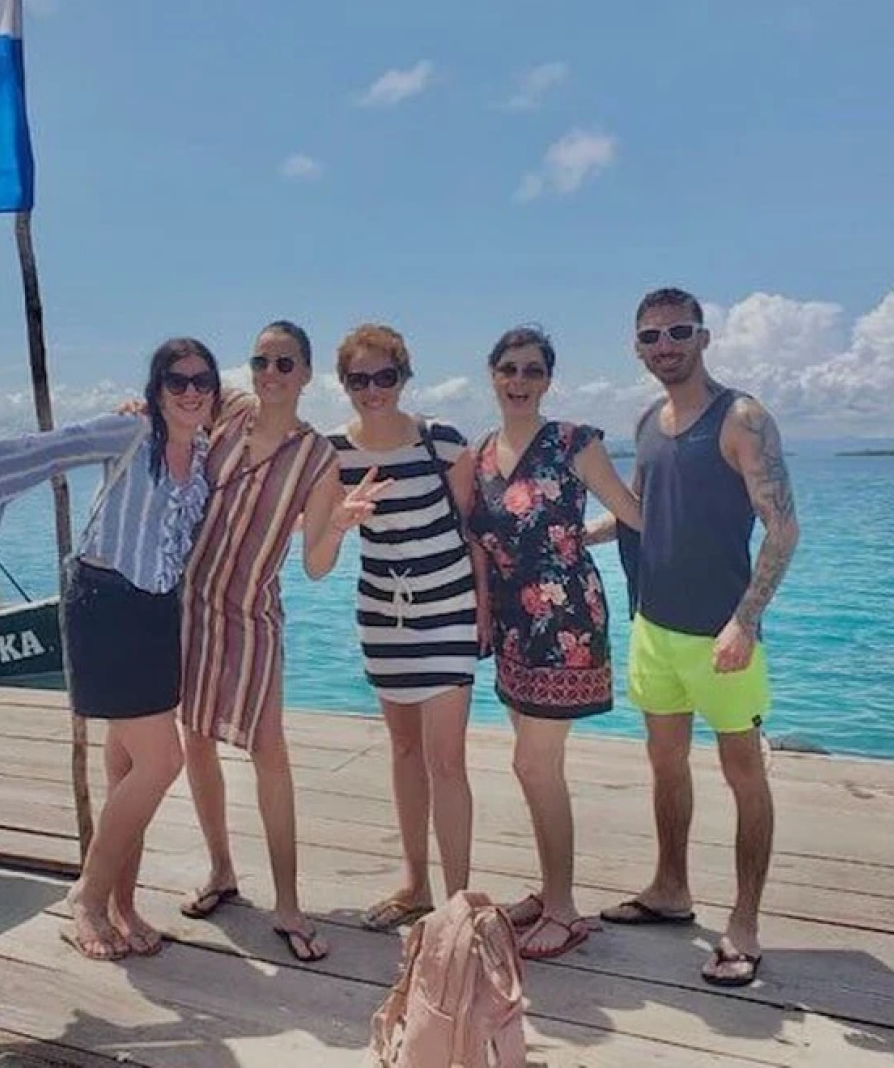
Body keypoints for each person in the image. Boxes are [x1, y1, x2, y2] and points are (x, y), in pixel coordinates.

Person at [0, 339, 223, 963]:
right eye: (175, 380)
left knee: (126, 768)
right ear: (156, 387)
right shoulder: (130, 431)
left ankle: (122, 904)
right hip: (105, 605)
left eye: (201, 380)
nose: (190, 391)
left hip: (159, 612)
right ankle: (87, 896)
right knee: (162, 762)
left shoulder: (206, 453)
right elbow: (47, 449)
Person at [590, 287, 800, 988]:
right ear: (637, 347)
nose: (664, 345)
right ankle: (669, 889)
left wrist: (745, 619)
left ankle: (743, 921)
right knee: (664, 762)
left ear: (703, 337)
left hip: (722, 635)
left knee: (744, 774)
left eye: (677, 331)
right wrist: (573, 536)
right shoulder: (649, 419)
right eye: (650, 336)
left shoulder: (740, 417)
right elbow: (645, 512)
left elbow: (781, 526)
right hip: (653, 626)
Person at [179, 319, 387, 964]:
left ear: (305, 373)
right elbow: (175, 422)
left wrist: (344, 522)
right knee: (196, 740)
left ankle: (289, 901)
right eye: (261, 361)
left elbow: (318, 564)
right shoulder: (229, 412)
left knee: (270, 752)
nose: (271, 373)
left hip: (250, 614)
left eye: (285, 363)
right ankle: (221, 870)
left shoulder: (317, 456)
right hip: (187, 603)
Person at [460, 325, 643, 960]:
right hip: (512, 622)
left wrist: (715, 511)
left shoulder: (573, 442)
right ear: (491, 374)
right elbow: (478, 539)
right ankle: (551, 888)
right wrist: (483, 609)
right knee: (539, 765)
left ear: (547, 380)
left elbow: (631, 509)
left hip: (565, 620)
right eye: (509, 369)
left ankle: (564, 908)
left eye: (532, 371)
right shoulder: (480, 453)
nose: (519, 381)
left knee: (533, 764)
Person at [325, 323, 478, 934]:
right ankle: (415, 885)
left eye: (384, 376)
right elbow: (313, 527)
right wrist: (339, 517)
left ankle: (459, 902)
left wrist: (483, 611)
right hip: (383, 614)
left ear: (404, 376)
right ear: (344, 384)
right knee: (406, 750)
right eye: (359, 379)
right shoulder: (335, 453)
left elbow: (470, 531)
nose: (372, 390)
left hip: (447, 611)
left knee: (447, 760)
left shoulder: (442, 443)